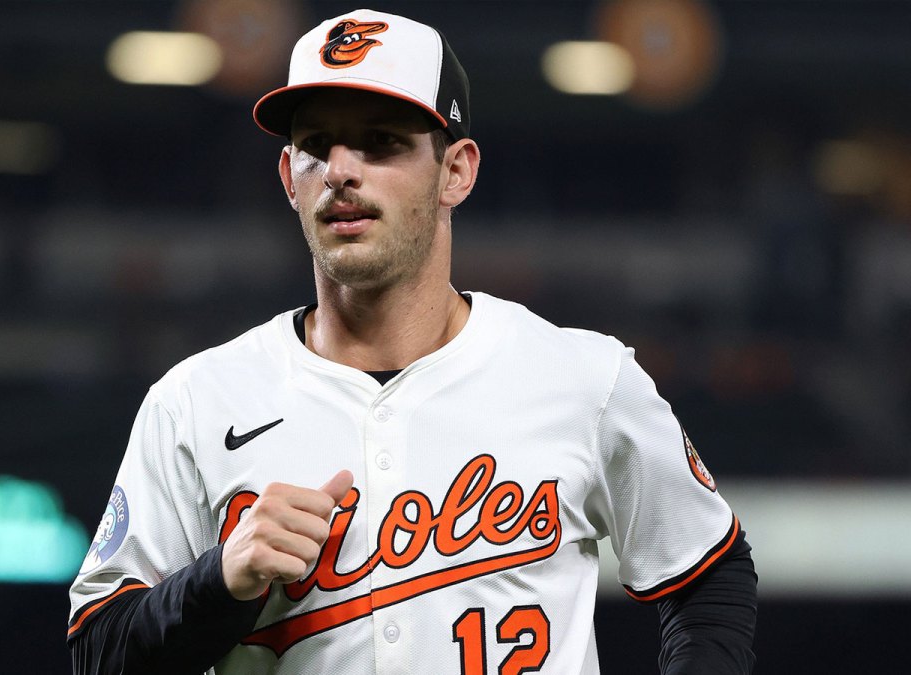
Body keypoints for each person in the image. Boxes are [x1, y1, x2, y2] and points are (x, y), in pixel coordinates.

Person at [68, 9, 757, 674]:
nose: (340, 169)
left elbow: (708, 573)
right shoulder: (195, 402)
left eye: (381, 143)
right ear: (288, 179)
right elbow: (99, 648)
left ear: (455, 171)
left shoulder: (585, 378)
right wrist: (218, 580)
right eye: (316, 146)